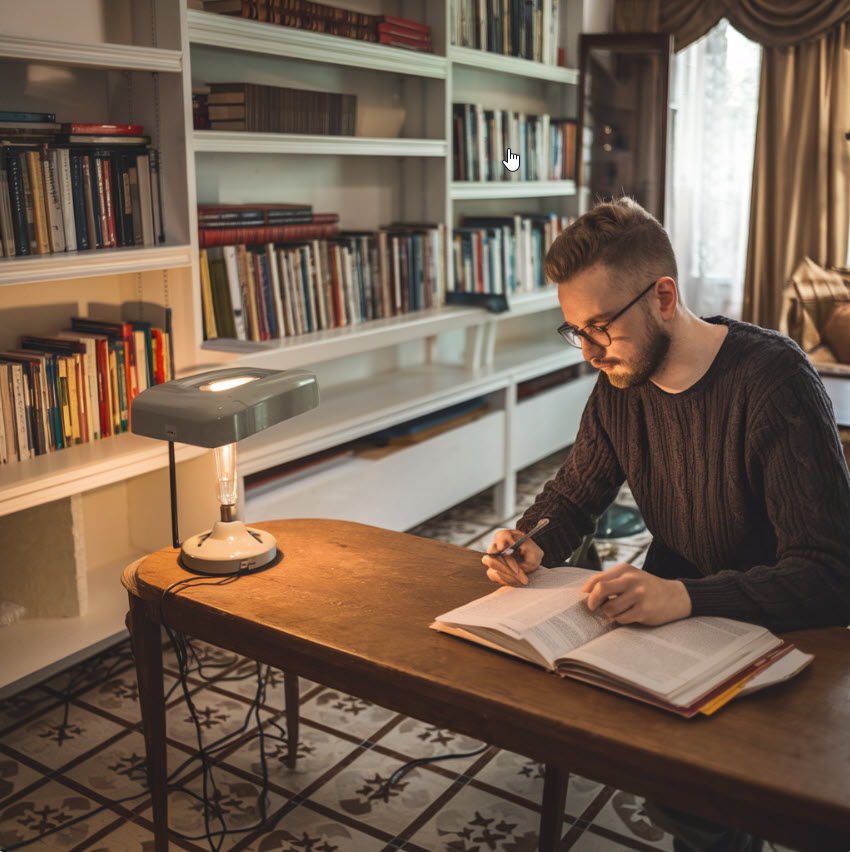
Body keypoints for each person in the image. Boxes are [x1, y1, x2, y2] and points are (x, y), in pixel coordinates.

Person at [481, 197, 850, 852]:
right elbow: (573, 495)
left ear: (664, 296)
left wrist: (683, 595)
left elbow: (831, 575)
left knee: (715, 806)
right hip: (673, 621)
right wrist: (531, 539)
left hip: (785, 629)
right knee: (647, 766)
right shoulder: (620, 387)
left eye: (601, 327)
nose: (590, 353)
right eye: (576, 332)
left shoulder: (774, 381)